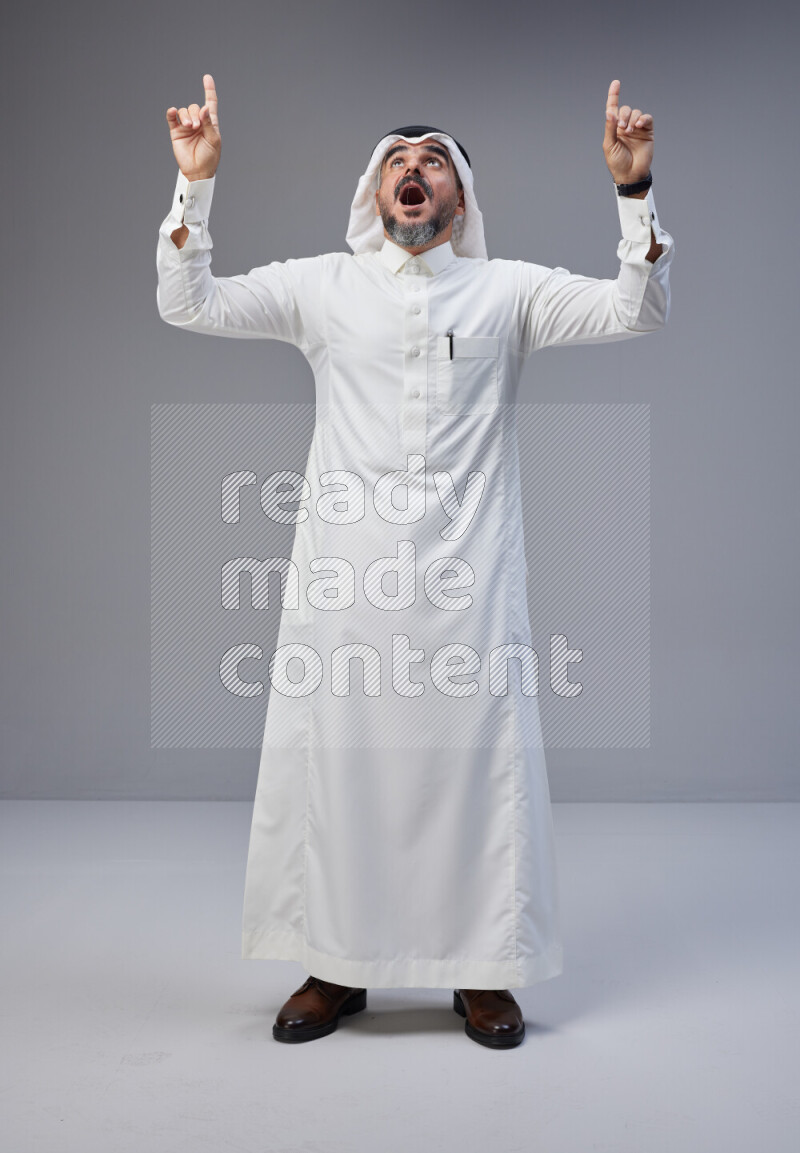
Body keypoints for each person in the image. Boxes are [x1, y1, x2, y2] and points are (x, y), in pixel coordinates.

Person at [157, 75, 674, 1049]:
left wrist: (631, 195)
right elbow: (189, 302)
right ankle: (334, 965)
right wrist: (196, 188)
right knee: (342, 774)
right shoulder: (322, 287)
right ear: (371, 191)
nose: (412, 172)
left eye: (431, 161)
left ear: (459, 198)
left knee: (475, 776)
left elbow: (631, 311)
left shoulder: (506, 290)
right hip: (343, 588)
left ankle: (482, 975)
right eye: (396, 161)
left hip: (469, 590)